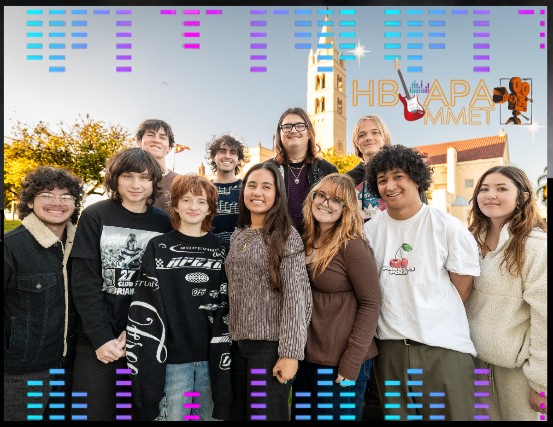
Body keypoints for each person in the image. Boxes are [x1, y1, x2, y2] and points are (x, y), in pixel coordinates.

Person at [364, 145, 480, 421]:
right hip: (390, 350)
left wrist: (428, 318)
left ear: (416, 178)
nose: (390, 186)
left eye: (398, 176)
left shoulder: (448, 227)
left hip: (443, 349)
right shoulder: (369, 232)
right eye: (382, 180)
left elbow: (462, 288)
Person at [70, 148, 173, 421]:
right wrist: (101, 337)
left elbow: (164, 285)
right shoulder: (95, 215)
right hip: (97, 338)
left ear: (154, 182)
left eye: (144, 177)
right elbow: (84, 280)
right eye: (127, 176)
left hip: (144, 336)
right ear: (115, 179)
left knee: (138, 413)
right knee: (92, 413)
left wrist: (137, 329)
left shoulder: (164, 223)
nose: (136, 184)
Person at [128, 174, 232, 421]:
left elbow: (228, 304)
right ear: (175, 205)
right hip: (172, 360)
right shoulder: (158, 246)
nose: (193, 206)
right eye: (186, 200)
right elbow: (146, 303)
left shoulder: (221, 248)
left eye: (201, 201)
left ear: (209, 209)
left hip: (213, 360)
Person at [226, 162, 312, 421]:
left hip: (269, 348)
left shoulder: (286, 235)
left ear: (277, 194)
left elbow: (297, 298)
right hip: (237, 345)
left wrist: (290, 354)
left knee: (264, 417)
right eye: (251, 185)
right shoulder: (238, 234)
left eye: (266, 187)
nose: (257, 192)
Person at [291, 174, 381, 421]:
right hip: (307, 358)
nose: (326, 203)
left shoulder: (352, 247)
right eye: (321, 195)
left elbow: (371, 304)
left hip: (341, 362)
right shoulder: (304, 241)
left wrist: (352, 362)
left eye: (336, 200)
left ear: (346, 208)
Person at [465, 166, 547, 421]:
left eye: (502, 189)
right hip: (474, 365)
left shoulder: (535, 246)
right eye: (484, 189)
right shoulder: (467, 240)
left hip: (519, 372)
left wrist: (541, 383)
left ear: (522, 197)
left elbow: (545, 317)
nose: (491, 195)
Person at [4, 166, 84, 421]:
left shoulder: (82, 247)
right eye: (47, 195)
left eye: (66, 196)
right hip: (24, 372)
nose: (57, 203)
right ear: (30, 201)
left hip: (71, 369)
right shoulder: (10, 247)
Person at [265, 107, 338, 236]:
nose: (293, 130)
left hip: (318, 243)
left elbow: (338, 209)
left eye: (299, 126)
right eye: (287, 127)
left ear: (309, 133)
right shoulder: (266, 170)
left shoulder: (328, 170)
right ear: (280, 134)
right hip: (277, 242)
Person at [346, 114, 427, 221]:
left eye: (375, 132)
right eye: (362, 135)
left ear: (385, 137)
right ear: (356, 142)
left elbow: (422, 213)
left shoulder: (406, 170)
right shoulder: (348, 179)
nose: (368, 138)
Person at [205, 133, 250, 243]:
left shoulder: (247, 189)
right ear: (213, 157)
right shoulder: (204, 190)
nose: (227, 156)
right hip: (211, 249)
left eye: (233, 152)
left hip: (241, 250)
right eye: (222, 151)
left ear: (239, 160)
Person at [136, 119, 179, 215]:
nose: (156, 140)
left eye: (162, 137)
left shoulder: (182, 182)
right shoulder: (126, 179)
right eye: (150, 135)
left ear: (170, 147)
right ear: (139, 142)